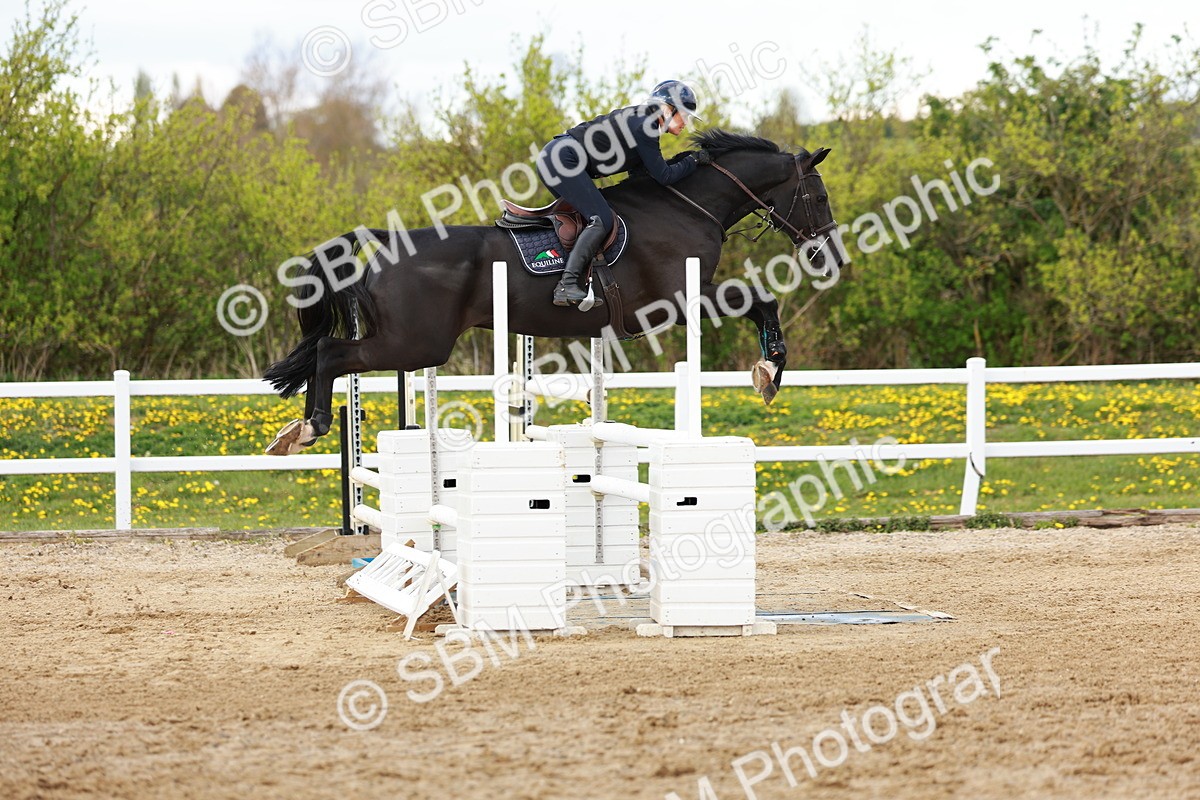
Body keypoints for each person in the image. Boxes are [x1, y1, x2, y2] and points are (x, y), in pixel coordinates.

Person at [536, 80, 712, 306]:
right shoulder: (645, 125)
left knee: (594, 218)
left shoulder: (643, 122)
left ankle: (573, 275)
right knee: (601, 219)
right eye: (684, 115)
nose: (686, 123)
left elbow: (641, 180)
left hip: (559, 158)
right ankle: (566, 285)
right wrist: (694, 160)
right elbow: (665, 176)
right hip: (562, 160)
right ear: (668, 109)